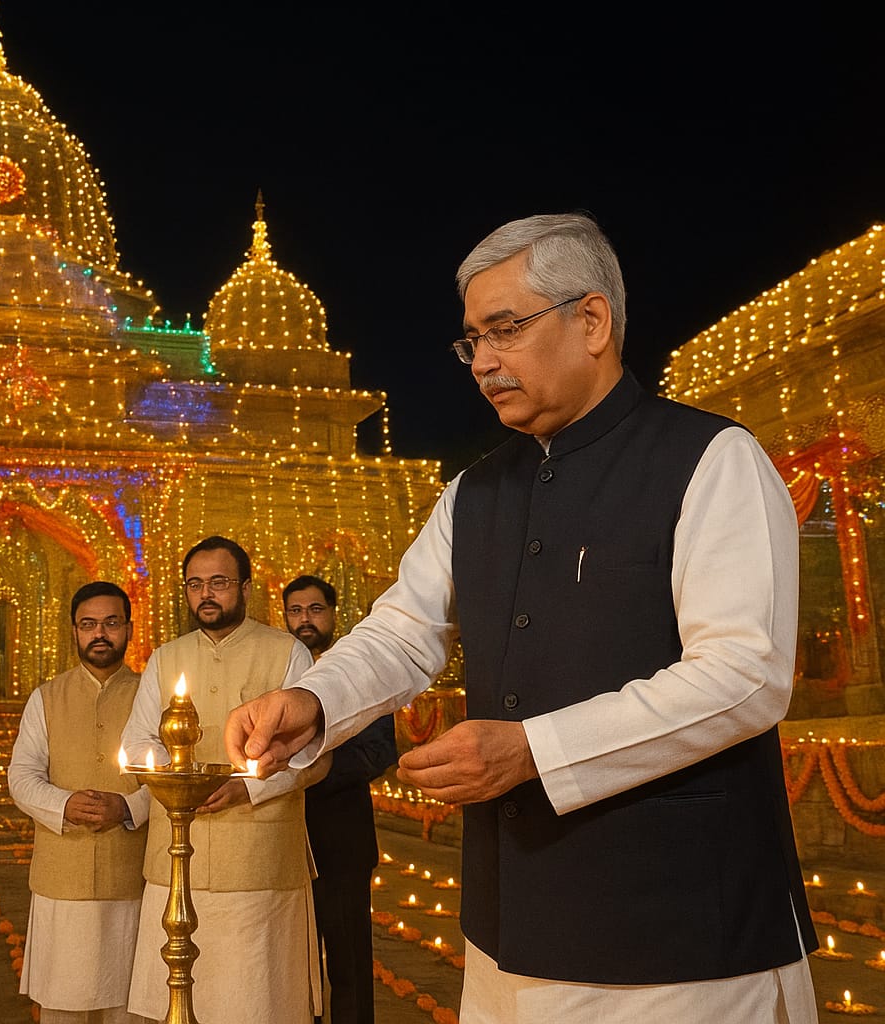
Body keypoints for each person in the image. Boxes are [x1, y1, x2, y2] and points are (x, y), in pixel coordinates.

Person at [226, 213, 819, 1023]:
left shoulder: (711, 460)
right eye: (472, 340)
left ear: (594, 321)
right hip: (506, 932)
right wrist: (317, 703)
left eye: (505, 329)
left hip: (683, 941)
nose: (485, 362)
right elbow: (403, 631)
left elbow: (744, 677)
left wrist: (534, 750)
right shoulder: (476, 492)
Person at [120, 535, 325, 1024]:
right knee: (177, 1001)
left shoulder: (288, 652)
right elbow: (137, 740)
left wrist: (246, 786)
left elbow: (313, 757)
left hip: (259, 865)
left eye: (218, 582)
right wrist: (178, 774)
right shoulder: (166, 658)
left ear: (246, 588)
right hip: (173, 861)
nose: (205, 593)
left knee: (258, 1002)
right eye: (195, 584)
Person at [7, 580, 149, 1024]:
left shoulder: (154, 695)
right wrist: (64, 803)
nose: (100, 633)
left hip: (134, 874)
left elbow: (171, 777)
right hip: (60, 877)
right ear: (74, 631)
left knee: (129, 1006)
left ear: (128, 628)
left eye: (111, 623)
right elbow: (21, 775)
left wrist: (128, 808)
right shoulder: (46, 697)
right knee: (61, 1003)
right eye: (89, 624)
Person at [283, 575, 398, 1024]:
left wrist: (311, 769)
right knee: (296, 967)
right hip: (284, 844)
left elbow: (378, 751)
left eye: (314, 610)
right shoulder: (279, 671)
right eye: (295, 611)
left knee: (348, 963)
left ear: (332, 614)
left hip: (341, 841)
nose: (304, 620)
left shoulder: (359, 671)